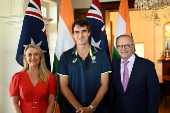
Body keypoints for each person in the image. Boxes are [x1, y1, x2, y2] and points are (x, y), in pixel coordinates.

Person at [57, 19, 111, 113]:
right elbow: (63, 86)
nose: (80, 35)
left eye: (84, 31)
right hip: (74, 109)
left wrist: (91, 108)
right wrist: (80, 109)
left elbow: (105, 85)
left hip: (98, 108)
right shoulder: (65, 57)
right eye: (77, 32)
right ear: (73, 35)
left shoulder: (102, 55)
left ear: (89, 33)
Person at [109, 34, 160, 113]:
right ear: (116, 48)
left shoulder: (147, 66)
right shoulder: (113, 66)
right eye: (120, 46)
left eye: (127, 45)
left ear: (133, 46)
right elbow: (112, 93)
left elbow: (153, 94)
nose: (123, 49)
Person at [9, 44, 57, 113]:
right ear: (25, 57)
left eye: (36, 54)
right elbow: (14, 103)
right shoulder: (17, 77)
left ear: (40, 56)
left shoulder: (50, 77)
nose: (33, 57)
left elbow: (52, 102)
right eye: (29, 55)